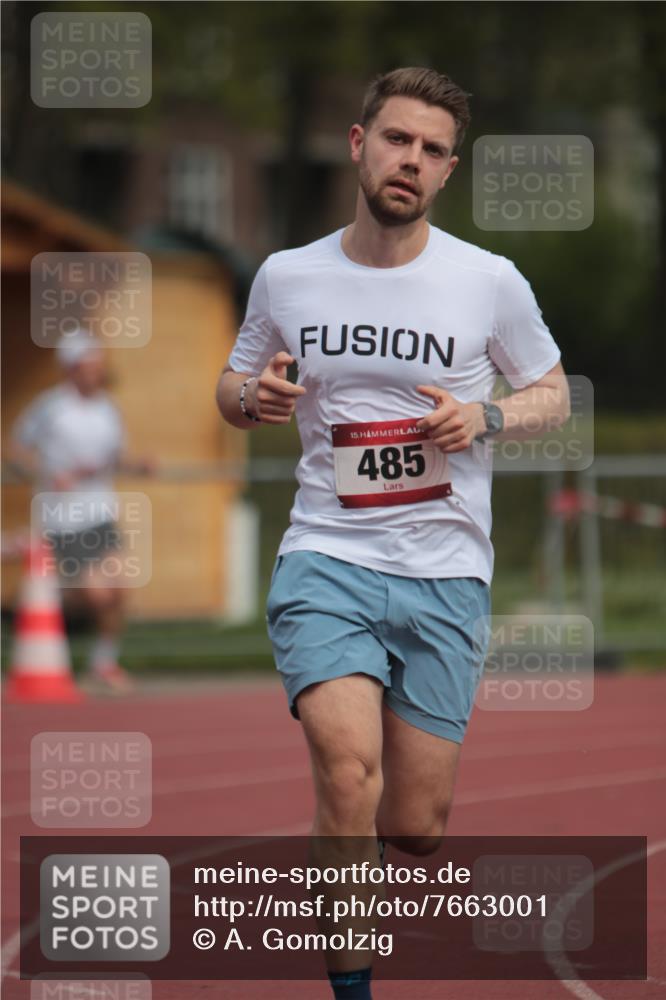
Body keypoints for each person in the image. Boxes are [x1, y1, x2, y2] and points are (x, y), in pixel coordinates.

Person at [217, 67, 569, 999]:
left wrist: (485, 417)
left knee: (414, 825)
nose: (410, 159)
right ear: (358, 144)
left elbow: (552, 392)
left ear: (448, 170)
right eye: (396, 139)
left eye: (431, 149)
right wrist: (253, 397)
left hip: (444, 571)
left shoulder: (487, 282)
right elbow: (232, 381)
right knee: (346, 775)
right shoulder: (287, 275)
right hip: (325, 556)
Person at [9, 330, 152, 693]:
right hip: (63, 518)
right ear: (71, 368)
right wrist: (47, 473)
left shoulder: (108, 408)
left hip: (100, 512)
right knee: (94, 594)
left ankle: (104, 663)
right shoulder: (50, 407)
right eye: (89, 365)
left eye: (98, 365)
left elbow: (116, 457)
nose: (96, 372)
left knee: (118, 590)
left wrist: (139, 465)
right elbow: (15, 450)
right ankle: (46, 617)